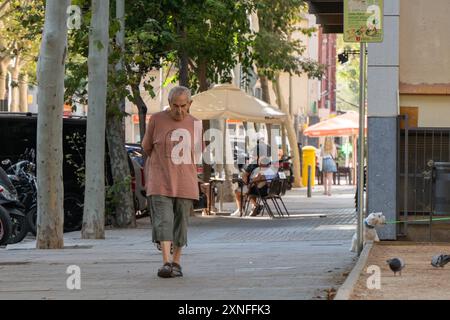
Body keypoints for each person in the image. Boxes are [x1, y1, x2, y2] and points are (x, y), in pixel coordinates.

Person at [142, 86, 202, 278]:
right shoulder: (157, 120)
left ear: (190, 104)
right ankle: (166, 263)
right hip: (160, 181)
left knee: (180, 223)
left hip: (185, 181)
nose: (179, 110)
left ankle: (177, 262)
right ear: (169, 103)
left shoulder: (196, 124)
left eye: (183, 106)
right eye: (175, 105)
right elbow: (147, 147)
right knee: (163, 221)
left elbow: (198, 153)